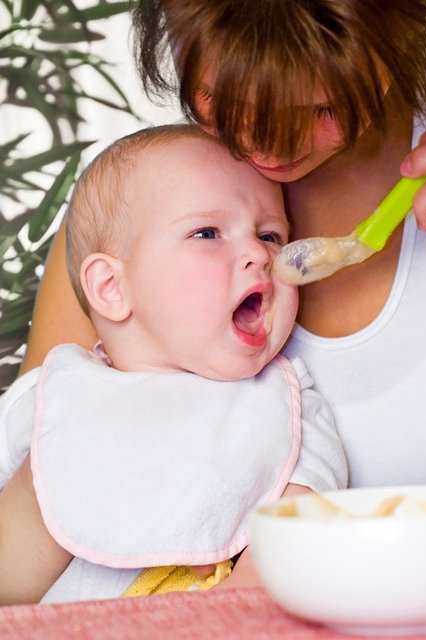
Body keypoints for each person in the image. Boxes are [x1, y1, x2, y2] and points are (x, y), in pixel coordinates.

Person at [19, 2, 426, 483]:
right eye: (219, 98)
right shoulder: (131, 210)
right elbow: (32, 501)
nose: (268, 146)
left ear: (400, 34)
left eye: (321, 108)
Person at [0, 124, 347, 605]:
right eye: (206, 232)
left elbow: (294, 538)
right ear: (111, 288)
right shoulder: (49, 401)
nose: (258, 255)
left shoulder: (288, 409)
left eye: (270, 235)